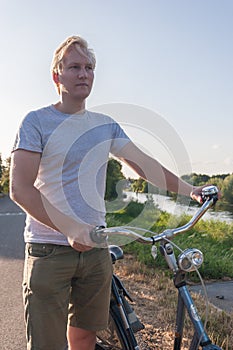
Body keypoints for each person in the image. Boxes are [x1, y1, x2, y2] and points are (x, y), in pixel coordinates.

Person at [10, 35, 210, 350]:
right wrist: (70, 227)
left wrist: (191, 190)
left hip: (96, 251)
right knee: (47, 344)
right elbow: (19, 188)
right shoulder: (36, 122)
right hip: (48, 250)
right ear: (56, 75)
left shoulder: (105, 125)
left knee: (85, 337)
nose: (83, 73)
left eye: (89, 67)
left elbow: (145, 165)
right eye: (74, 67)